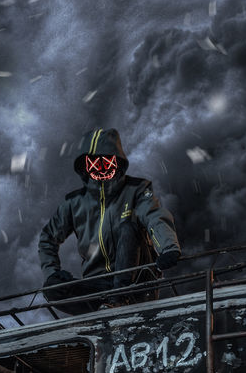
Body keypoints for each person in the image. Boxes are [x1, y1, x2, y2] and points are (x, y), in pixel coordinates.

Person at [38, 127, 181, 311]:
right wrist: (52, 273)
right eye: (95, 165)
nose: (102, 170)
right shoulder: (74, 203)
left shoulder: (136, 189)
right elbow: (48, 237)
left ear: (116, 163)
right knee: (52, 288)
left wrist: (168, 247)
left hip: (136, 278)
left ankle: (120, 297)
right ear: (86, 166)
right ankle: (101, 307)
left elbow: (154, 215)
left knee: (128, 226)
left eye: (107, 163)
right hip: (97, 284)